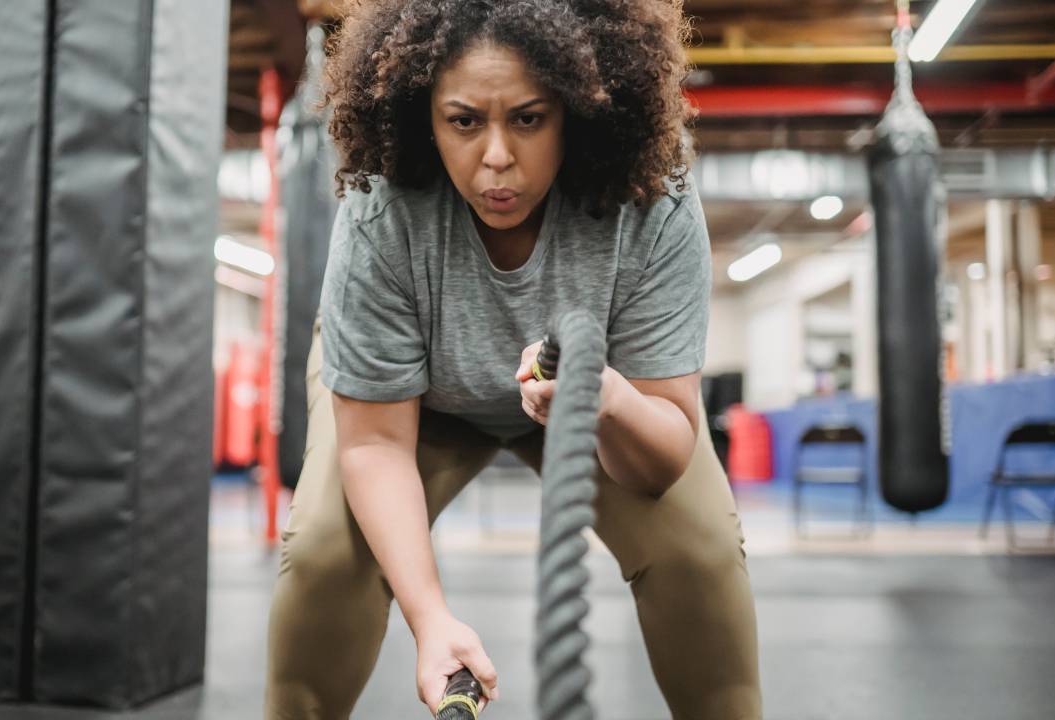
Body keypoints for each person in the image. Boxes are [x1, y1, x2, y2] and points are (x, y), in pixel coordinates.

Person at [264, 1, 761, 717]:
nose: (496, 157)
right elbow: (373, 444)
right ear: (423, 117)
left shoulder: (654, 199)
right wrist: (430, 619)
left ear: (577, 112)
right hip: (417, 406)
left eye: (528, 118)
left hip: (598, 401)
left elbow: (661, 456)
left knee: (702, 553)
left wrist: (610, 400)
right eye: (464, 121)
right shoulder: (382, 206)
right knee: (322, 560)